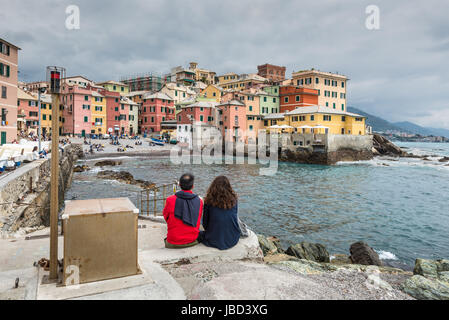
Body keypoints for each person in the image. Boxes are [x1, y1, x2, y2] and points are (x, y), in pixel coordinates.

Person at [198, 176, 241, 250]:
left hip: (213, 240)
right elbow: (235, 217)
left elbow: (205, 223)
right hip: (232, 238)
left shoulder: (209, 201)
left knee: (197, 234)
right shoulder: (234, 199)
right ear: (229, 187)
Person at [162, 173, 203, 249]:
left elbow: (166, 217)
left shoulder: (170, 200)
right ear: (193, 186)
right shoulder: (199, 201)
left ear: (180, 185)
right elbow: (198, 219)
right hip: (192, 240)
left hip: (173, 242)